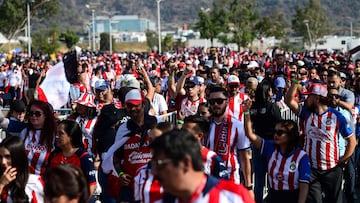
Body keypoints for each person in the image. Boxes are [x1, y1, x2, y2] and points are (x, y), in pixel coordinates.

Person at [285, 82, 356, 203]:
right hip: (311, 169)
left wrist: (342, 161)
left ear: (317, 98)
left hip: (332, 169)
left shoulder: (336, 116)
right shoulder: (306, 114)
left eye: (309, 96)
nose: (306, 99)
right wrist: (295, 82)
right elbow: (289, 101)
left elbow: (352, 141)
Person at [150, 129, 255, 203]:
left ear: (186, 163)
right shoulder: (159, 199)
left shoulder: (233, 197)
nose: (154, 172)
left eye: (159, 164)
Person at [243, 99, 310, 203]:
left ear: (290, 136)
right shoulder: (270, 147)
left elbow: (304, 186)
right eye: (275, 132)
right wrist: (246, 112)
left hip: (292, 197)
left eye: (280, 132)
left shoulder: (301, 157)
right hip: (273, 196)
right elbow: (250, 134)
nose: (275, 135)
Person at [101, 89, 157, 202]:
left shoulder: (157, 124)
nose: (133, 109)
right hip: (130, 188)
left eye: (136, 105)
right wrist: (120, 174)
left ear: (143, 104)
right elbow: (116, 157)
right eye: (129, 105)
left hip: (153, 185)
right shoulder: (123, 129)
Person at [205, 86, 252, 189]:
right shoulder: (204, 124)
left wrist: (248, 186)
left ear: (226, 102)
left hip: (230, 178)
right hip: (207, 178)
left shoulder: (237, 125)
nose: (215, 105)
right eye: (212, 102)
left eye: (219, 101)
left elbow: (244, 158)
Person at [249, 79, 282, 203]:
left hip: (257, 144)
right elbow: (280, 125)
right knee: (273, 177)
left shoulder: (252, 108)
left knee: (259, 179)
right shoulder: (272, 107)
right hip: (272, 145)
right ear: (268, 91)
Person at [48, 119, 97, 197]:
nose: (57, 136)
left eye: (61, 134)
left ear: (70, 136)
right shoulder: (54, 155)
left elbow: (92, 184)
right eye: (56, 133)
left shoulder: (84, 157)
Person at [183, 115, 229, 179]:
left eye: (185, 132)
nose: (181, 134)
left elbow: (224, 185)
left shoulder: (212, 159)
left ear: (199, 135)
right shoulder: (175, 155)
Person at [0, 136, 44, 202]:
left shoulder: (35, 182)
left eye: (8, 157)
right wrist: (1, 185)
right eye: (0, 157)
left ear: (18, 157)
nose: (3, 162)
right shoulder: (2, 181)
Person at [21, 100, 57, 176]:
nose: (33, 116)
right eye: (31, 113)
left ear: (45, 115)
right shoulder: (24, 132)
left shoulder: (54, 135)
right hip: (25, 179)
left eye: (37, 114)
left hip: (45, 180)